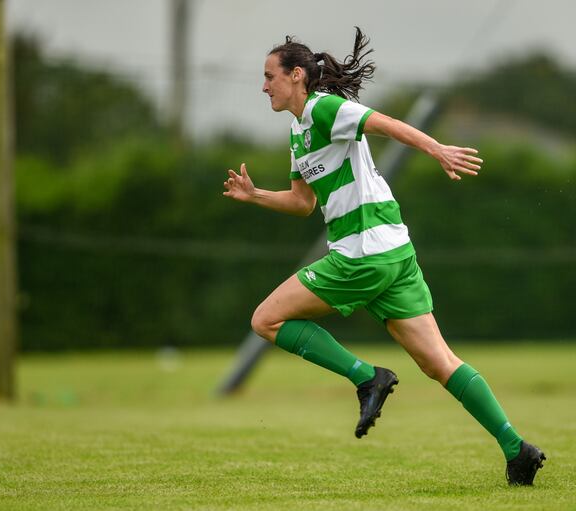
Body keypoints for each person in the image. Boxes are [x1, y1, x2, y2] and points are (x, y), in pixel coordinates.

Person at [222, 28, 545, 486]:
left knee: (265, 320)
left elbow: (383, 122)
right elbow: (302, 202)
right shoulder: (298, 133)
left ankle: (367, 377)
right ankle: (517, 449)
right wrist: (255, 196)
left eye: (269, 76)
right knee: (438, 363)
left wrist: (437, 149)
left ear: (296, 75)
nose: (263, 86)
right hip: (393, 254)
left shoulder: (325, 108)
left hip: (363, 253)